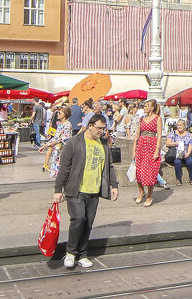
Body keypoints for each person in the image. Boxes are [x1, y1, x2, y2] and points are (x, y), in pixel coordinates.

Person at [52, 114, 119, 270]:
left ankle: (82, 254)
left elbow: (109, 166)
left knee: (88, 223)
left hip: (94, 190)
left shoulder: (103, 144)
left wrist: (114, 185)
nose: (102, 132)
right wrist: (58, 189)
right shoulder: (74, 142)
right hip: (76, 189)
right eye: (99, 128)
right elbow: (64, 167)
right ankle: (70, 253)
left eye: (104, 128)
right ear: (90, 125)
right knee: (78, 219)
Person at [133, 99, 162, 207]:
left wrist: (157, 150)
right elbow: (137, 134)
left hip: (151, 145)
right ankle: (141, 191)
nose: (144, 108)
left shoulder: (157, 119)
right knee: (139, 171)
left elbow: (159, 135)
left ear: (152, 107)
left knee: (150, 172)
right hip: (141, 145)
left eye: (146, 106)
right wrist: (134, 149)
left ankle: (149, 195)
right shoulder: (141, 119)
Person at [166, 120, 192, 186]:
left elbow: (190, 145)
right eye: (178, 125)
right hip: (176, 154)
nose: (179, 127)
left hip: (185, 153)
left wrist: (188, 153)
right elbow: (167, 143)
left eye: (181, 125)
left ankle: (191, 179)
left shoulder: (187, 134)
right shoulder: (172, 133)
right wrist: (176, 143)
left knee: (190, 162)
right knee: (177, 162)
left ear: (184, 126)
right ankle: (178, 179)